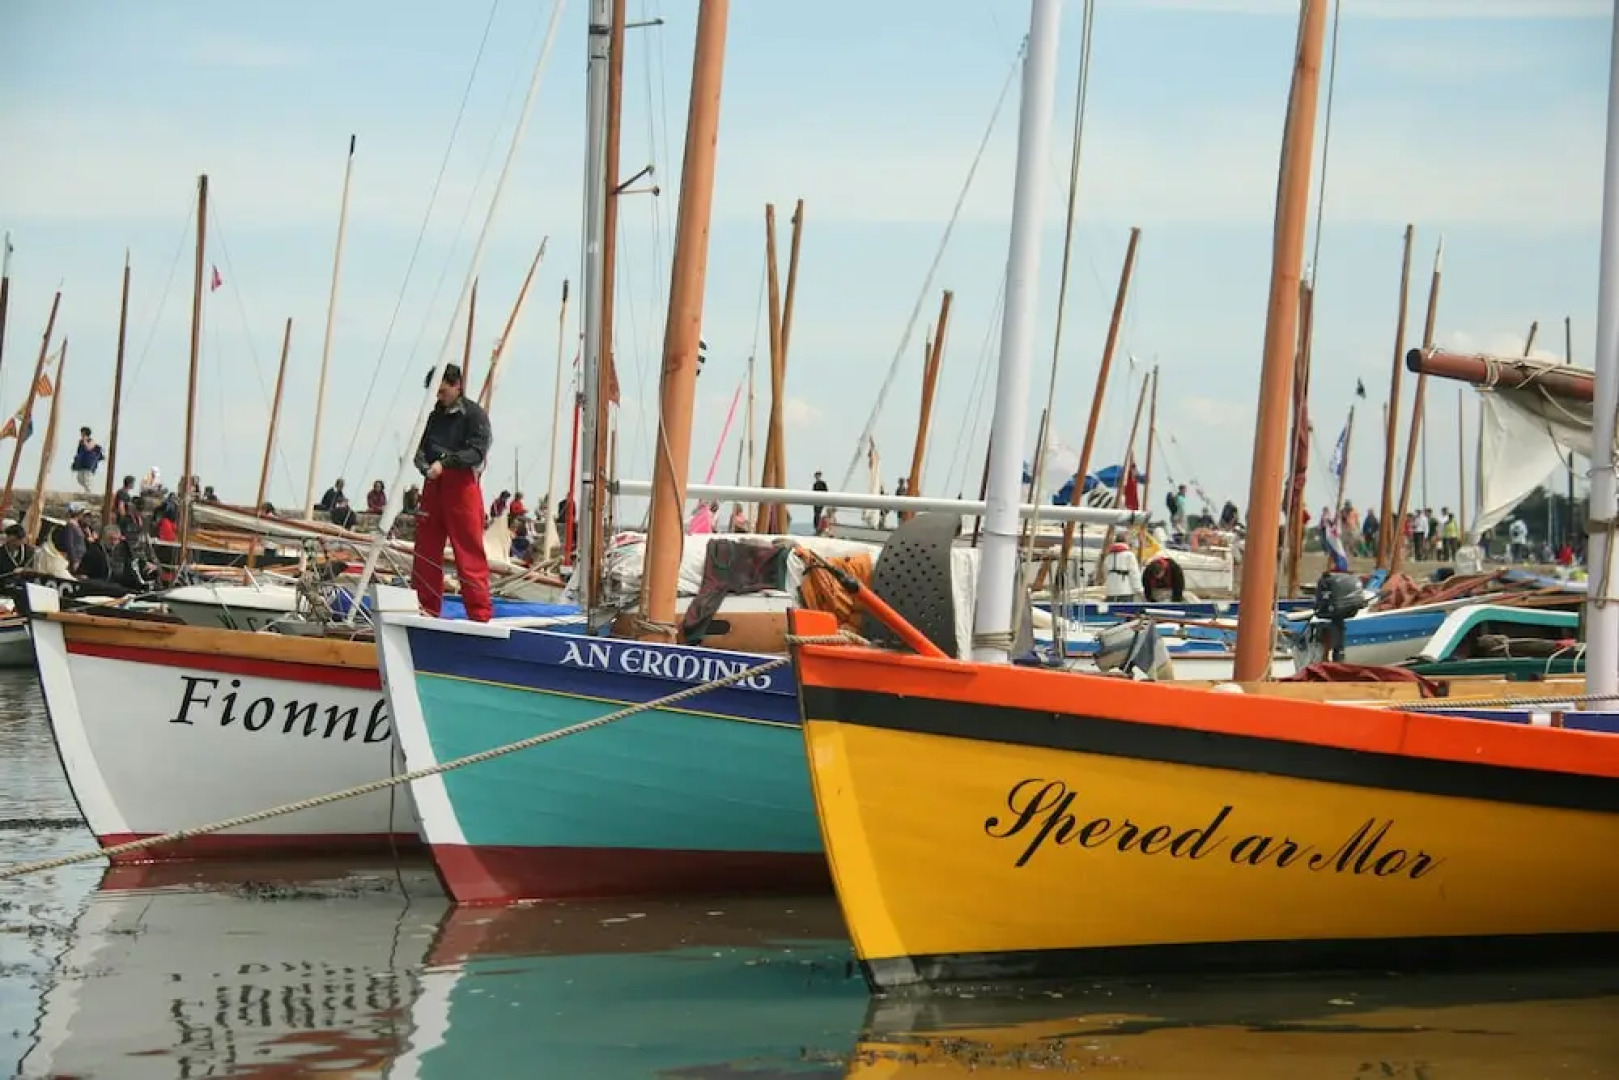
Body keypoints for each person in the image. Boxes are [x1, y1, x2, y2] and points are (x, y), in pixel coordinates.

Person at [412, 363, 493, 621]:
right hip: (433, 486)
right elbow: (421, 449)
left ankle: (479, 615)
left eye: (442, 389)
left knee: (469, 553)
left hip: (461, 487)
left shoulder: (474, 415)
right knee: (425, 552)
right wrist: (425, 467)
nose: (438, 395)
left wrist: (445, 463)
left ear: (456, 384)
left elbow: (477, 451)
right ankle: (426, 610)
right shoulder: (434, 416)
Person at [71, 427, 105, 495]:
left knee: (87, 479)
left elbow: (88, 448)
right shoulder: (80, 442)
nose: (82, 435)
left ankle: (89, 492)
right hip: (81, 463)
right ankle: (87, 490)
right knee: (80, 479)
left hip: (89, 463)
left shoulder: (91, 441)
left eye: (83, 434)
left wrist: (85, 441)